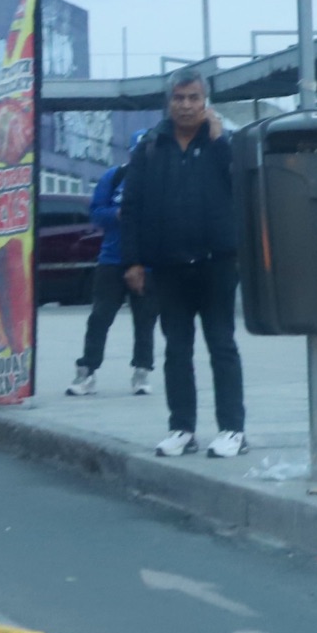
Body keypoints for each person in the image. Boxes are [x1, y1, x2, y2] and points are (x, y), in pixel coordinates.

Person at [121, 69, 245, 459]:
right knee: (176, 349)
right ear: (168, 102)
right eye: (179, 98)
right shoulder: (150, 146)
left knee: (222, 345)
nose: (186, 106)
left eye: (193, 98)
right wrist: (133, 261)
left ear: (205, 102)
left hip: (217, 263)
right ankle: (182, 429)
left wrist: (220, 140)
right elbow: (131, 207)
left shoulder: (222, 144)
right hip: (168, 266)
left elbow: (241, 187)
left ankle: (232, 430)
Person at [66, 139, 157, 396]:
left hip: (149, 264)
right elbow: (96, 212)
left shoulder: (161, 180)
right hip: (111, 260)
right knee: (100, 317)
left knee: (145, 320)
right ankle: (87, 371)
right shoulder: (114, 177)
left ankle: (142, 372)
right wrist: (117, 214)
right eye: (138, 152)